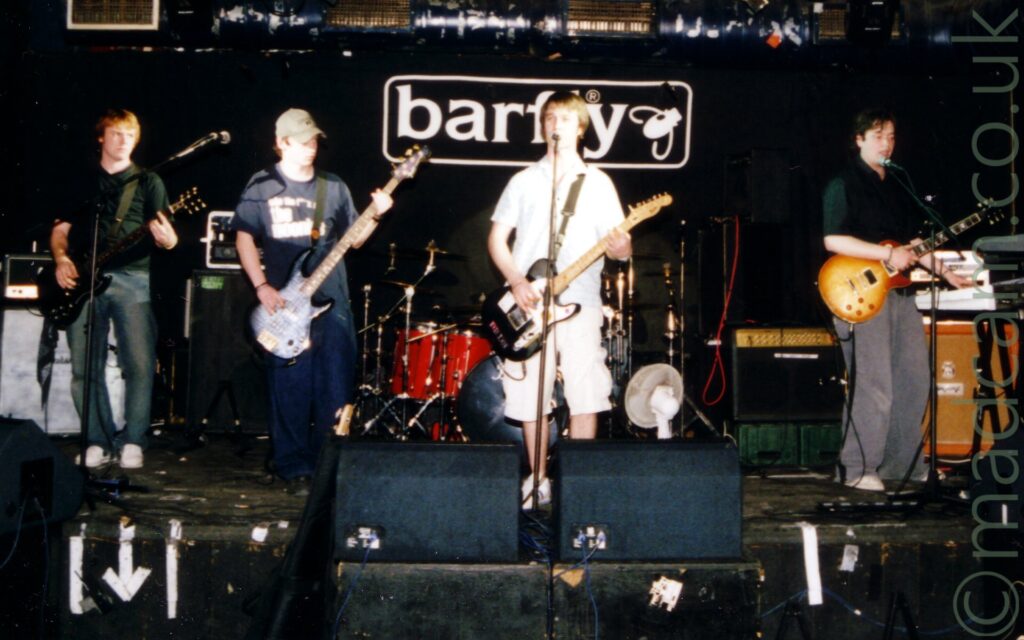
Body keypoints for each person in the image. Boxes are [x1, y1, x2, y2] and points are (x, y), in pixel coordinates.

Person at [233, 108, 392, 493]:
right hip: (284, 305)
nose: (311, 147)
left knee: (335, 387)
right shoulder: (261, 185)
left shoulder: (332, 186)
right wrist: (261, 286)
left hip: (332, 302)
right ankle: (293, 467)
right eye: (302, 141)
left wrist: (376, 215)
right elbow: (244, 238)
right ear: (281, 143)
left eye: (314, 140)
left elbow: (356, 239)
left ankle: (326, 467)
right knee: (290, 387)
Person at [488, 91, 631, 509]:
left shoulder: (598, 182)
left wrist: (623, 248)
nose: (556, 124)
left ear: (580, 128)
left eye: (566, 118)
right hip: (530, 304)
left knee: (587, 392)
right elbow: (496, 239)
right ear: (542, 126)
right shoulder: (523, 180)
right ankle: (538, 478)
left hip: (581, 301)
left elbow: (620, 249)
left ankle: (577, 483)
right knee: (530, 396)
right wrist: (516, 280)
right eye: (550, 117)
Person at [822, 108, 971, 492]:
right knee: (874, 384)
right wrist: (886, 254)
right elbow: (833, 240)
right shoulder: (843, 183)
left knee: (914, 381)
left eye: (890, 136)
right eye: (878, 136)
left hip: (901, 295)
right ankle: (856, 468)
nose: (886, 143)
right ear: (858, 140)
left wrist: (946, 272)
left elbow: (912, 246)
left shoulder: (898, 186)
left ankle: (901, 465)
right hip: (862, 293)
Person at [50, 108, 178, 469]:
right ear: (101, 137)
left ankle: (134, 440)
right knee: (84, 367)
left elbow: (169, 236)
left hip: (132, 279)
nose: (124, 141)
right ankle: (97, 440)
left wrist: (168, 240)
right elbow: (60, 230)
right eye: (117, 133)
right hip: (84, 282)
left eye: (130, 135)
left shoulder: (148, 181)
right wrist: (61, 259)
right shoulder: (83, 180)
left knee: (139, 363)